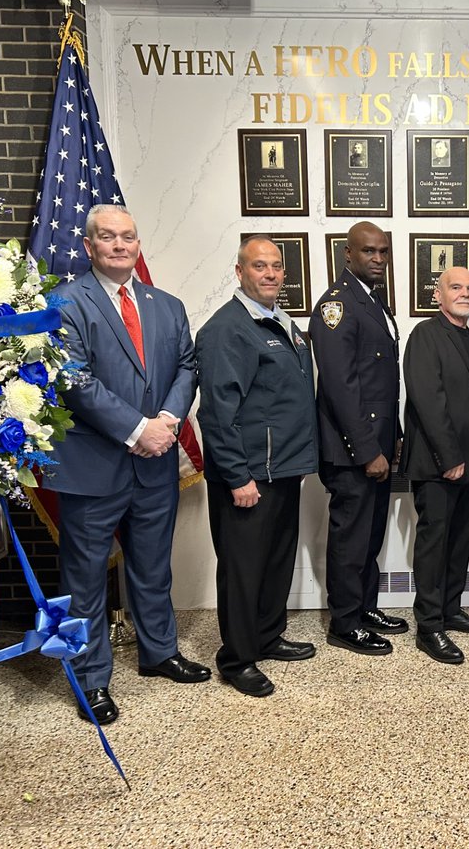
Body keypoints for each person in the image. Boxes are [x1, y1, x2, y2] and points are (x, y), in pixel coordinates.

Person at [50, 205, 209, 726]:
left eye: (128, 237)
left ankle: (159, 653)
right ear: (89, 245)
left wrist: (165, 420)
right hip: (91, 466)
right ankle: (91, 679)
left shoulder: (167, 306)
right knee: (86, 580)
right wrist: (138, 429)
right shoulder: (65, 303)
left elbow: (186, 366)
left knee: (151, 568)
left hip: (155, 466)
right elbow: (73, 380)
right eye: (108, 238)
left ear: (138, 246)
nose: (119, 245)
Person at [195, 237, 318, 698]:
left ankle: (267, 637)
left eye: (276, 267)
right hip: (248, 476)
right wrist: (237, 476)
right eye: (259, 266)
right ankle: (237, 658)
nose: (270, 274)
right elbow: (218, 413)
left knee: (275, 562)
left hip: (283, 469)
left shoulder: (280, 322)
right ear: (239, 272)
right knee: (244, 569)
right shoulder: (230, 329)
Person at [310, 220, 406, 655]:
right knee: (350, 539)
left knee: (370, 537)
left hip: (378, 445)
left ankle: (365, 607)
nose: (378, 259)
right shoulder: (337, 306)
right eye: (369, 252)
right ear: (347, 255)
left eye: (383, 251)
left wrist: (395, 436)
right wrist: (368, 449)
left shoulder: (373, 301)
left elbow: (383, 381)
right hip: (352, 452)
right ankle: (345, 622)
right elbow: (342, 387)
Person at [401, 267, 469, 664]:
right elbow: (428, 400)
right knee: (434, 545)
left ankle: (450, 608)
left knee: (459, 541)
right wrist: (450, 458)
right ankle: (429, 626)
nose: (465, 293)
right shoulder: (425, 336)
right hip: (438, 465)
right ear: (437, 296)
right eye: (456, 287)